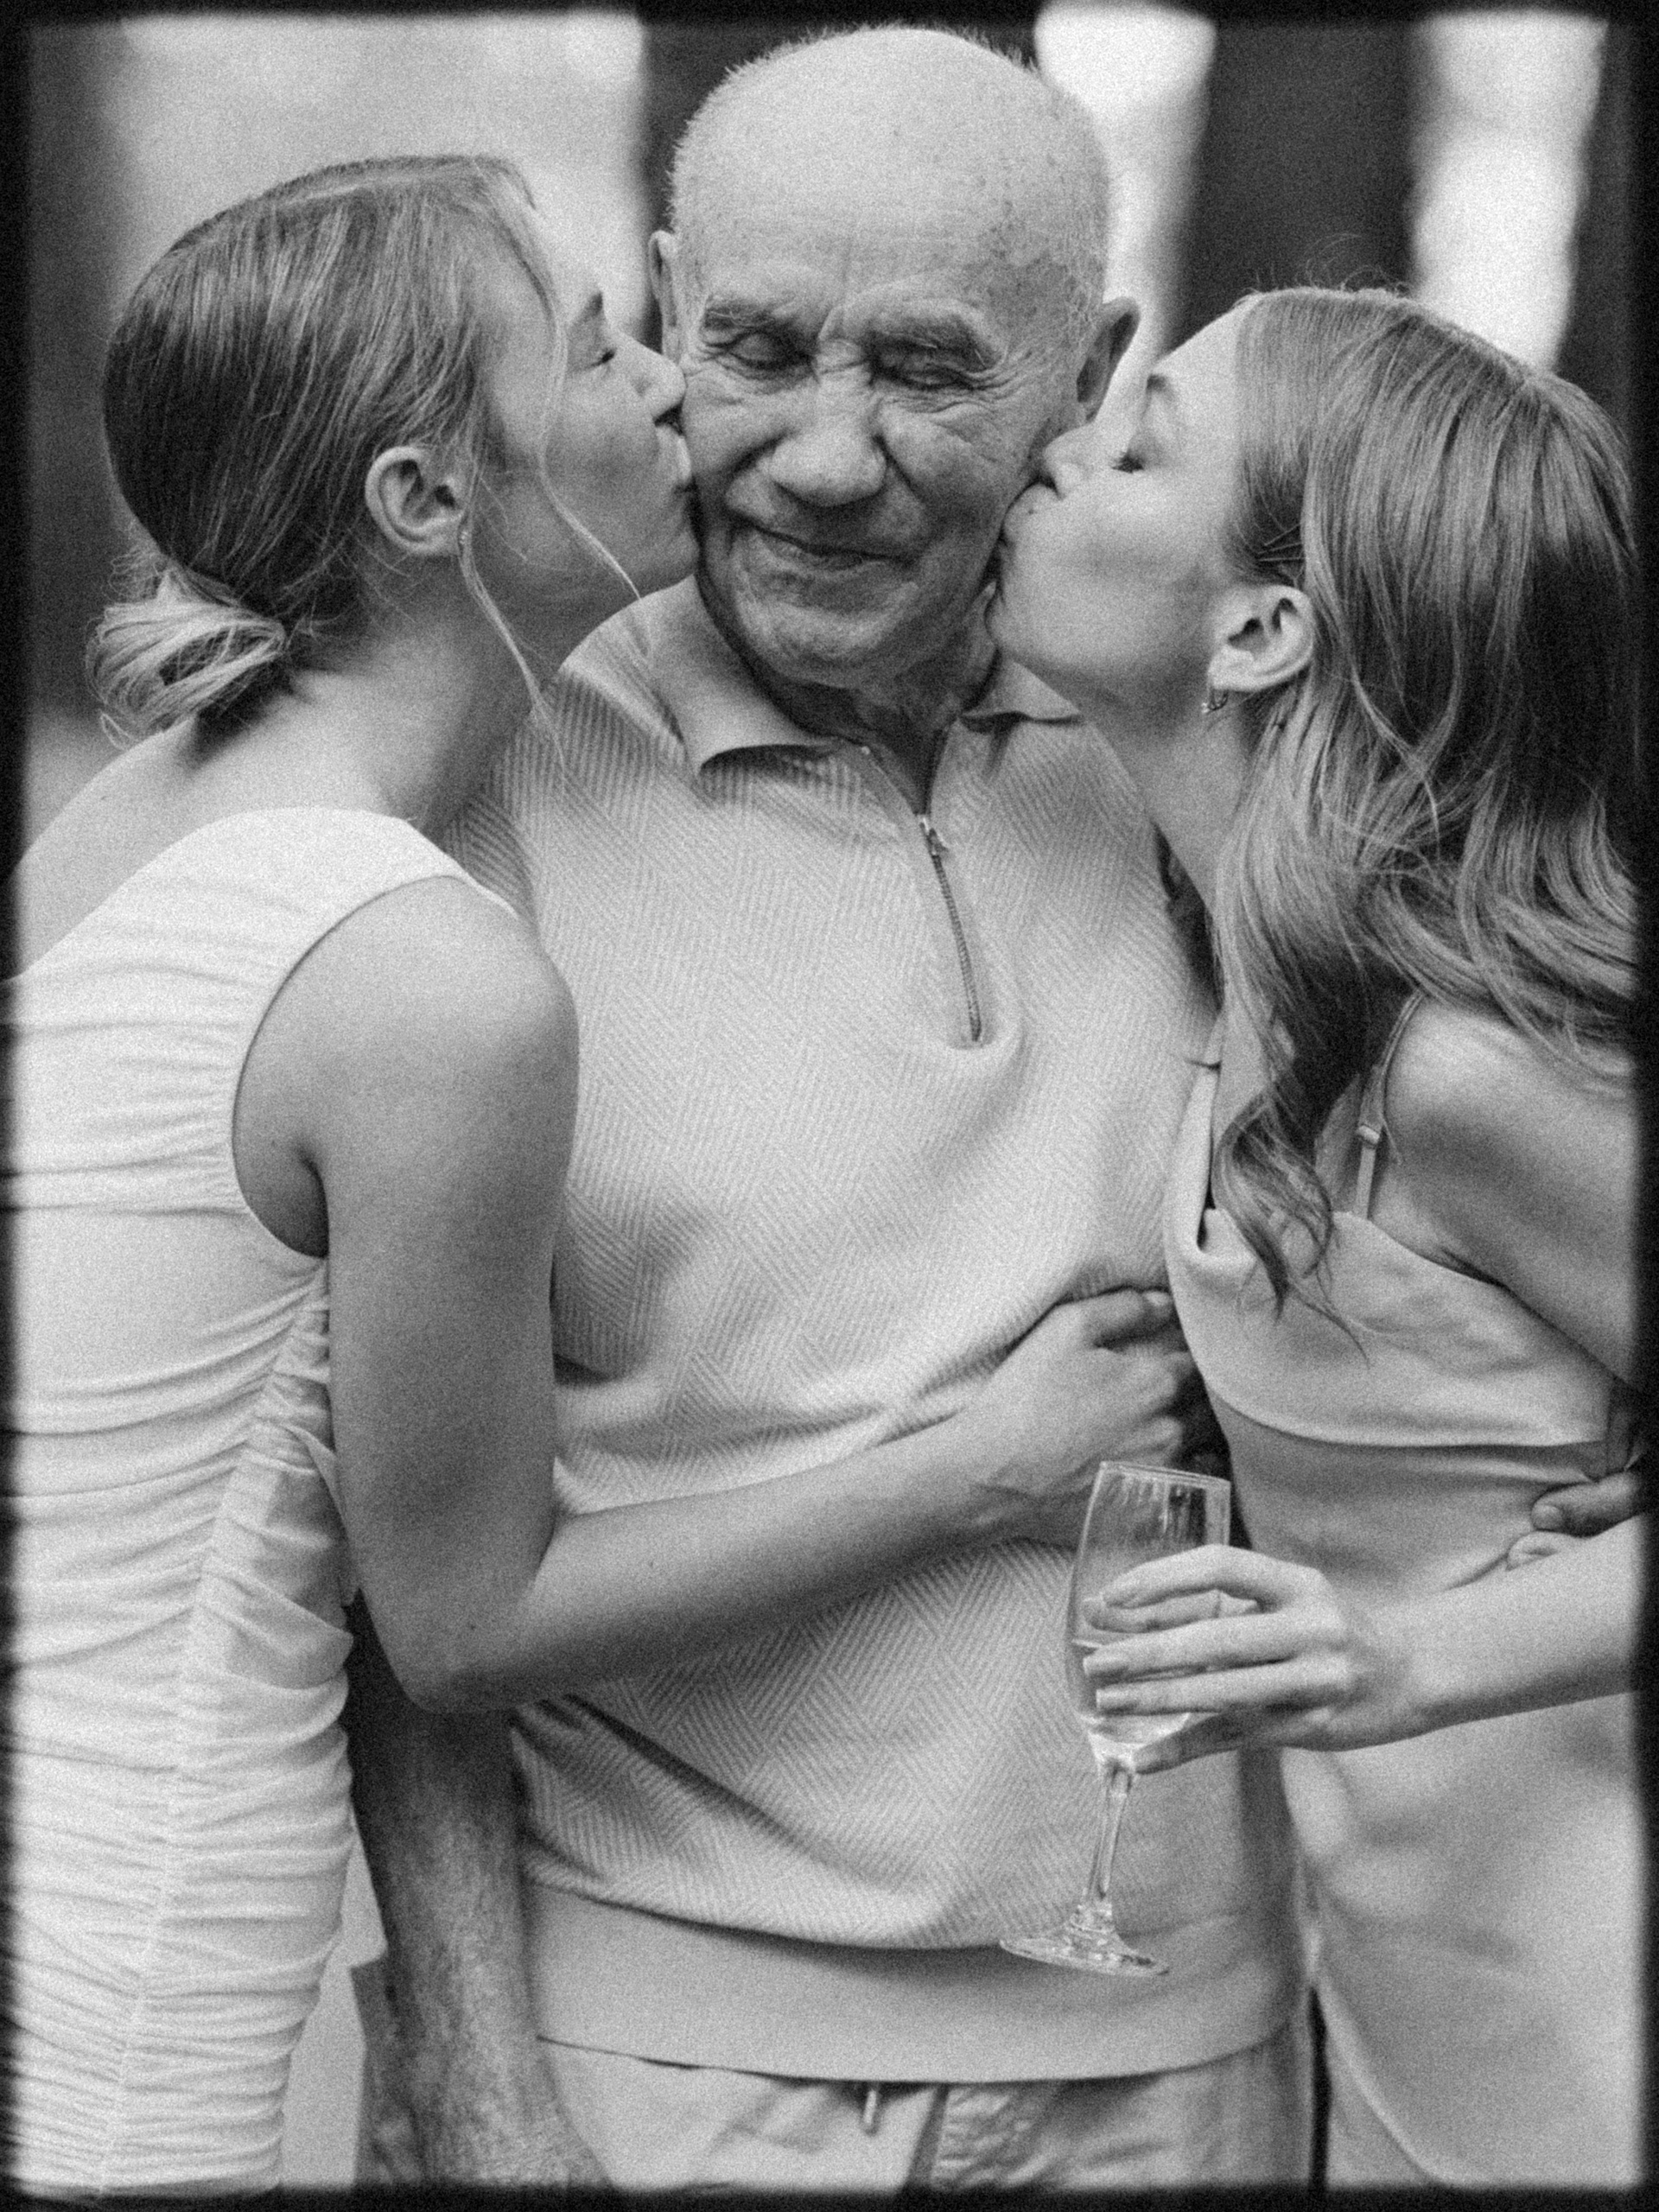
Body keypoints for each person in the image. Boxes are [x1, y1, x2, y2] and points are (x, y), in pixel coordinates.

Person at [343, 32, 1630, 2193]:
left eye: (930, 369)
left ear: (1082, 377)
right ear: (665, 316)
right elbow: (395, 1545)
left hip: (1204, 2057)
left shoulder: (1221, 777)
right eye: (758, 348)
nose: (825, 458)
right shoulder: (490, 790)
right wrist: (472, 2066)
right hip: (671, 2058)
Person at [5, 149, 1144, 2195]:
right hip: (138, 1960)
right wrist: (987, 1463)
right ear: (427, 499)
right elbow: (463, 1617)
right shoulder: (427, 978)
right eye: (607, 349)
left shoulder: (138, 820)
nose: (673, 395)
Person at [990, 283, 1644, 2184]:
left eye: (1136, 448)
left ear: (1262, 627)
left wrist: (1406, 1655)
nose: (1055, 451)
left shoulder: (1457, 1077)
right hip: (1402, 2043)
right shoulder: (1256, 988)